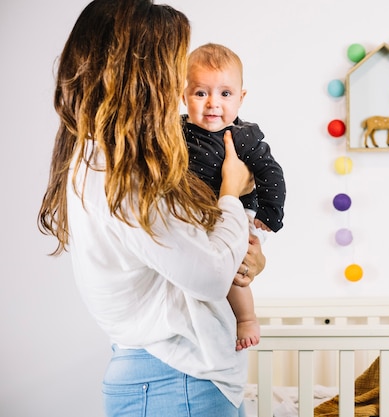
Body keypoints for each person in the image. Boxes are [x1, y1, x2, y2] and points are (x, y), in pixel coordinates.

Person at [37, 1, 263, 416]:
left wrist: (245, 256)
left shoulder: (114, 161)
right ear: (145, 77)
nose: (181, 82)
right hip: (177, 381)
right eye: (175, 69)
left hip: (175, 380)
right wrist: (232, 191)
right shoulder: (121, 174)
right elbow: (211, 275)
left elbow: (200, 256)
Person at [182, 43, 286, 351]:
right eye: (201, 93)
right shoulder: (174, 132)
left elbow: (271, 173)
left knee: (235, 267)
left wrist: (270, 213)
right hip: (194, 216)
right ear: (183, 94)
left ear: (241, 98)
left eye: (225, 94)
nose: (213, 103)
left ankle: (246, 319)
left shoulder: (244, 137)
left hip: (237, 214)